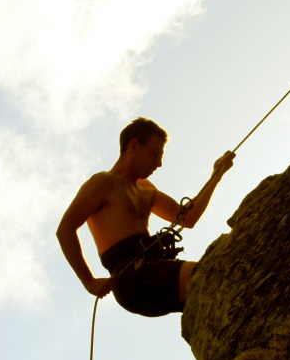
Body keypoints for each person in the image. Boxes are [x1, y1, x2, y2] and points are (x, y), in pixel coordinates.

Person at [57, 117, 235, 317]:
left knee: (223, 298)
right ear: (134, 145)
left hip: (153, 269)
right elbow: (65, 228)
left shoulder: (145, 189)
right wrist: (88, 281)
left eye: (161, 157)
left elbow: (187, 218)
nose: (159, 163)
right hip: (132, 276)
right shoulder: (104, 183)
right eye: (155, 153)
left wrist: (216, 175)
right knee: (211, 273)